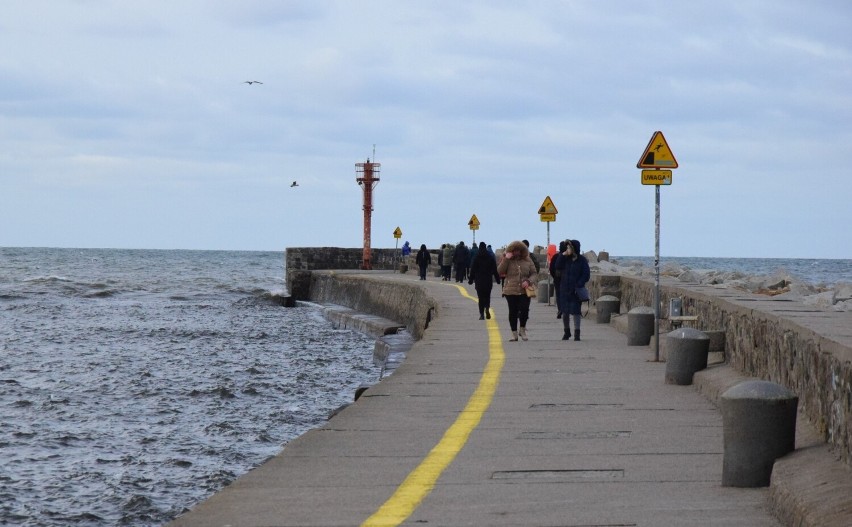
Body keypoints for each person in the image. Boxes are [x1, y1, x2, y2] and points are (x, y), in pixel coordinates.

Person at [497, 240, 538, 342]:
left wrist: (529, 281)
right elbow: (499, 271)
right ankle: (514, 333)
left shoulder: (527, 260)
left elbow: (534, 273)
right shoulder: (507, 259)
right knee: (513, 311)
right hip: (510, 290)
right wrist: (506, 259)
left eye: (519, 250)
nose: (517, 253)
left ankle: (522, 330)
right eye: (515, 250)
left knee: (524, 310)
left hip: (524, 290)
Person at [553, 239, 591, 341]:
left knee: (576, 312)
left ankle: (577, 333)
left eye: (569, 247)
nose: (568, 249)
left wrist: (579, 284)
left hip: (575, 290)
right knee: (565, 312)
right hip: (565, 288)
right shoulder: (565, 258)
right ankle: (567, 332)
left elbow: (586, 274)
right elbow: (557, 266)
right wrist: (563, 255)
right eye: (567, 247)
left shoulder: (582, 260)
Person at [468, 241, 501, 320]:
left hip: (479, 280)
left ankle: (482, 314)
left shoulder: (476, 257)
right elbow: (495, 270)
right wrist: (498, 279)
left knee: (480, 298)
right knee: (487, 296)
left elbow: (473, 270)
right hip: (488, 280)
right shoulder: (490, 257)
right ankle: (487, 308)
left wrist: (471, 280)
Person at [549, 240, 569, 319]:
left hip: (557, 278)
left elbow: (551, 268)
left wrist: (554, 276)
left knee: (558, 294)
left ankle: (560, 309)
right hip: (567, 279)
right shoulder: (568, 257)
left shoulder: (555, 256)